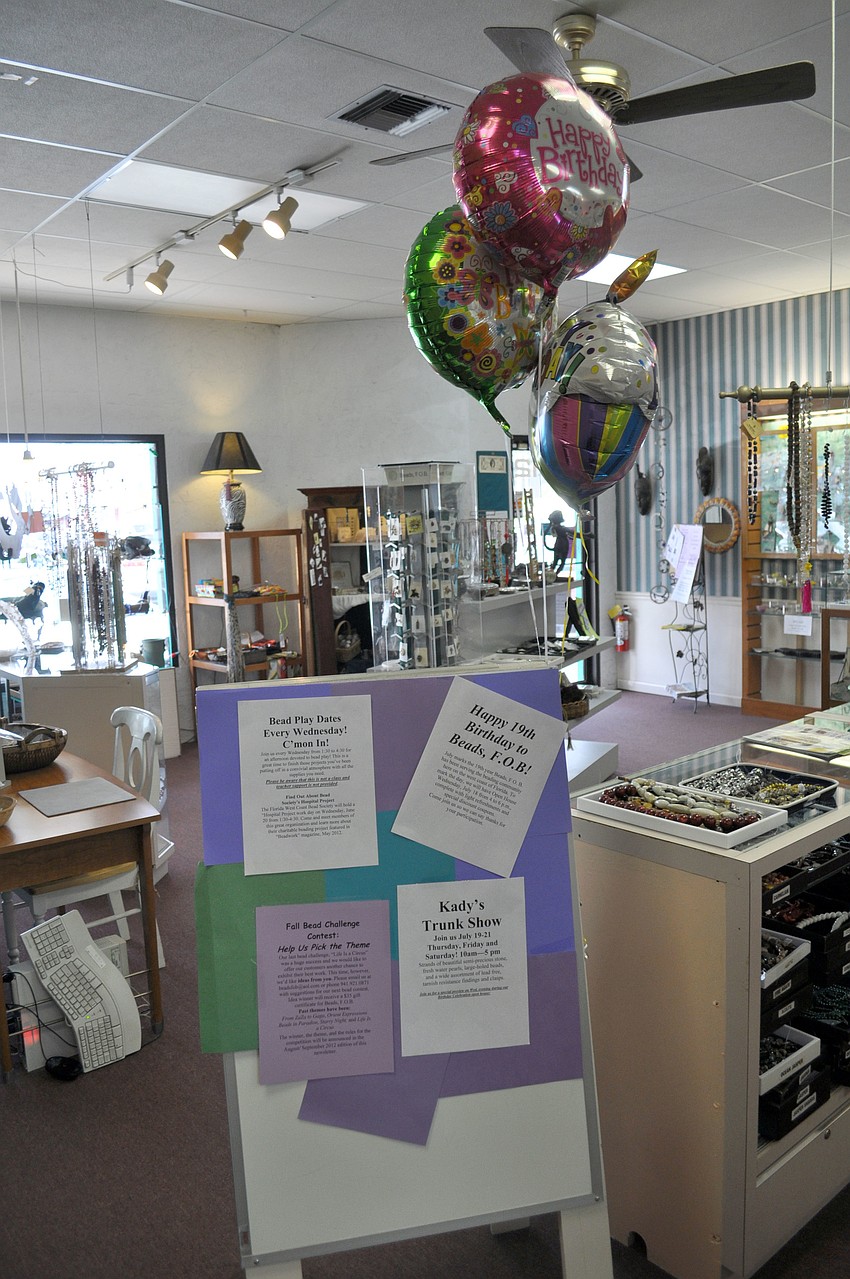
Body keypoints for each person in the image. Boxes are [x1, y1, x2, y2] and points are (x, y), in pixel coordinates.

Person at [543, 510, 573, 576]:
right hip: (563, 544)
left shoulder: (556, 528)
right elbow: (572, 533)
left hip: (559, 544)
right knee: (561, 562)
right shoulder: (560, 528)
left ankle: (553, 575)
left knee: (556, 562)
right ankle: (553, 575)